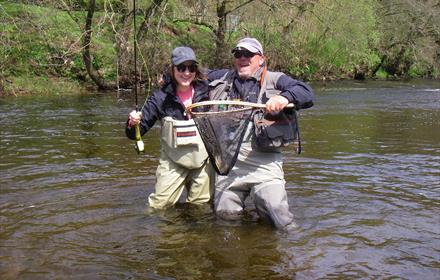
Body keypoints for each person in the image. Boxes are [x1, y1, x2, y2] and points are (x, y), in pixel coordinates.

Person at [207, 37, 315, 229]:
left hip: (264, 164)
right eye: (238, 54)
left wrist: (284, 97)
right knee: (225, 217)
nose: (243, 58)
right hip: (229, 165)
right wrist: (168, 78)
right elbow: (192, 76)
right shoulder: (223, 78)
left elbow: (306, 92)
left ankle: (295, 247)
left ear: (261, 59)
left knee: (277, 216)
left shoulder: (276, 79)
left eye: (248, 54)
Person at [126, 46, 214, 209]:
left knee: (201, 208)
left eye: (191, 67)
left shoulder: (208, 91)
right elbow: (135, 133)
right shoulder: (160, 98)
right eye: (181, 67)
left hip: (203, 161)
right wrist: (133, 123)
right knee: (159, 207)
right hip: (172, 161)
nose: (187, 73)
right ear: (172, 69)